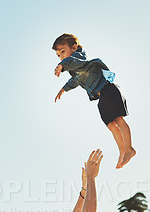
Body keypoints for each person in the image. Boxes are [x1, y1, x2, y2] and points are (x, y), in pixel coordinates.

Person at [53, 33, 136, 169]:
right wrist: (64, 89)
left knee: (119, 120)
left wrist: (62, 65)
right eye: (58, 55)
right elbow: (76, 80)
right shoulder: (77, 70)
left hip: (109, 90)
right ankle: (122, 150)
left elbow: (74, 61)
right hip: (101, 97)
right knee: (110, 125)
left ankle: (129, 148)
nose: (61, 56)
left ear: (74, 47)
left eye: (63, 52)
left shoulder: (80, 56)